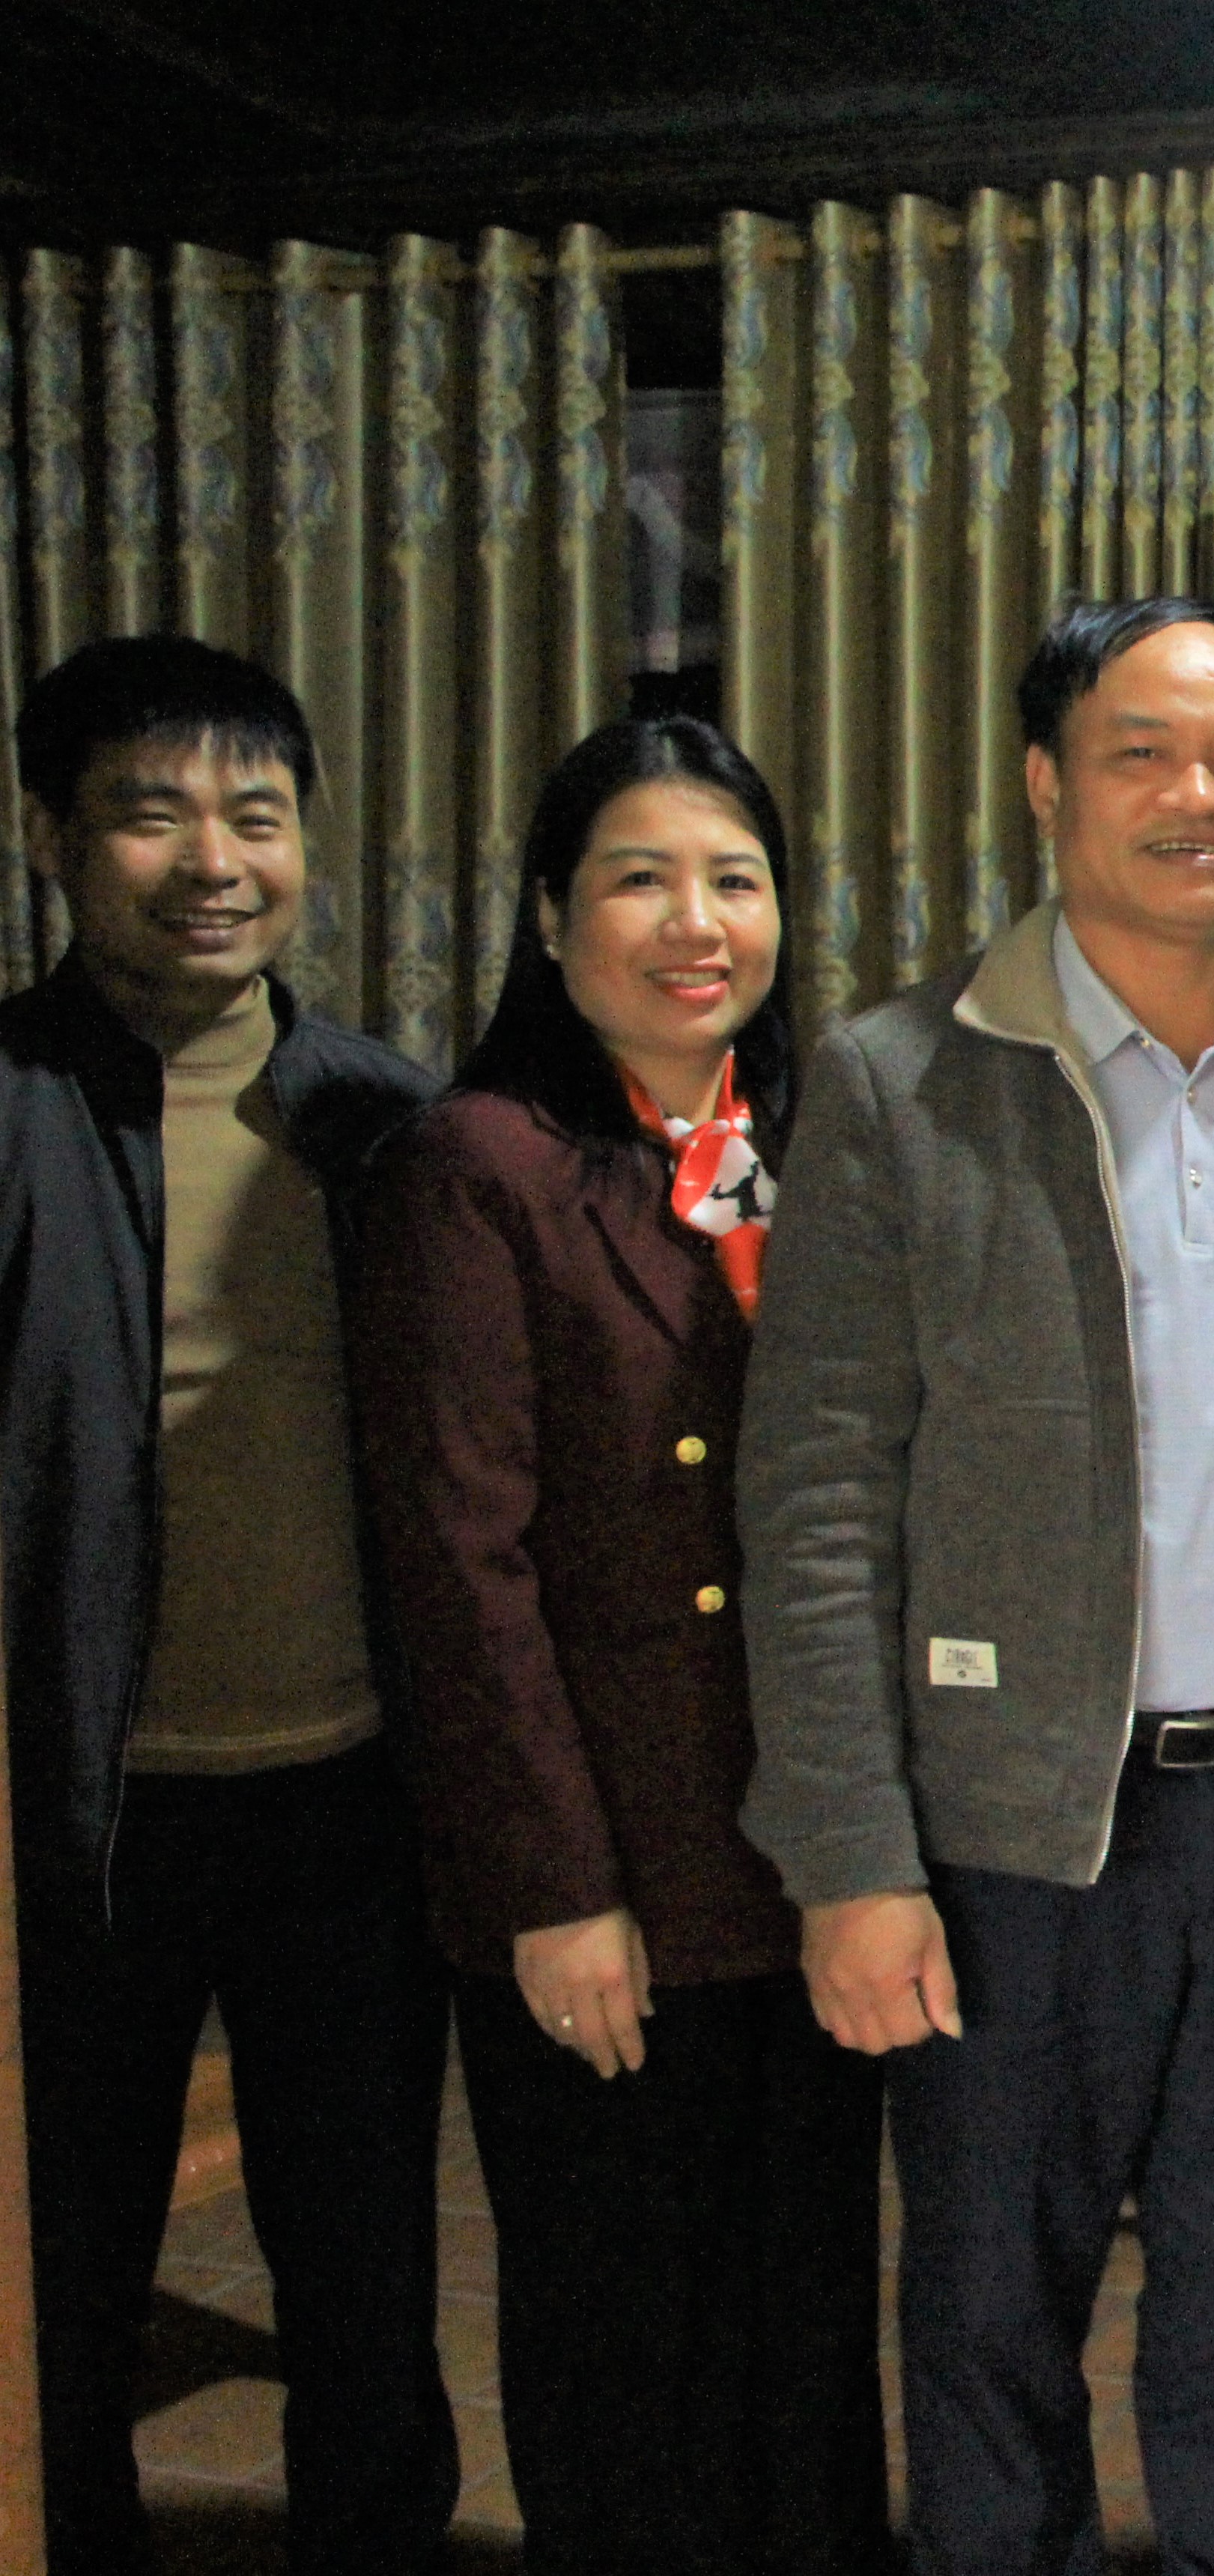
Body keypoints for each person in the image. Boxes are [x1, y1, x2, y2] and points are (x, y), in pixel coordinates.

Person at [738, 598, 1214, 2576]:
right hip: (1010, 1833)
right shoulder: (902, 1083)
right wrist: (852, 1861)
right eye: (1141, 752)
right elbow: (815, 1504)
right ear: (1046, 784)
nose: (1195, 796)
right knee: (987, 2324)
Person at [352, 716, 889, 2575]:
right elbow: (461, 1565)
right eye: (638, 879)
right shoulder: (480, 1163)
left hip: (802, 1845)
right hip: (616, 1864)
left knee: (803, 2315)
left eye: (735, 878)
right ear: (546, 916)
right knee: (622, 2332)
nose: (695, 922)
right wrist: (555, 1886)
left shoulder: (803, 1145)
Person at [0, 635, 456, 2572]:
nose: (213, 859)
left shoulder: (388, 1124)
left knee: (364, 2275)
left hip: (344, 1805)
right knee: (59, 2280)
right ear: (50, 835)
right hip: (71, 1827)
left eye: (255, 815)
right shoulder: (11, 1105)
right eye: (150, 811)